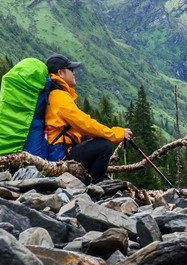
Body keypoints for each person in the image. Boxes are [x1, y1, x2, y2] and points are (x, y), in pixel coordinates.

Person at [45, 54, 133, 182]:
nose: (74, 73)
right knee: (104, 146)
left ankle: (90, 182)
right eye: (71, 69)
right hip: (61, 159)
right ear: (60, 73)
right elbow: (85, 124)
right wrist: (116, 133)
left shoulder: (56, 94)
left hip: (59, 154)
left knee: (93, 140)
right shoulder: (59, 97)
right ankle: (94, 188)